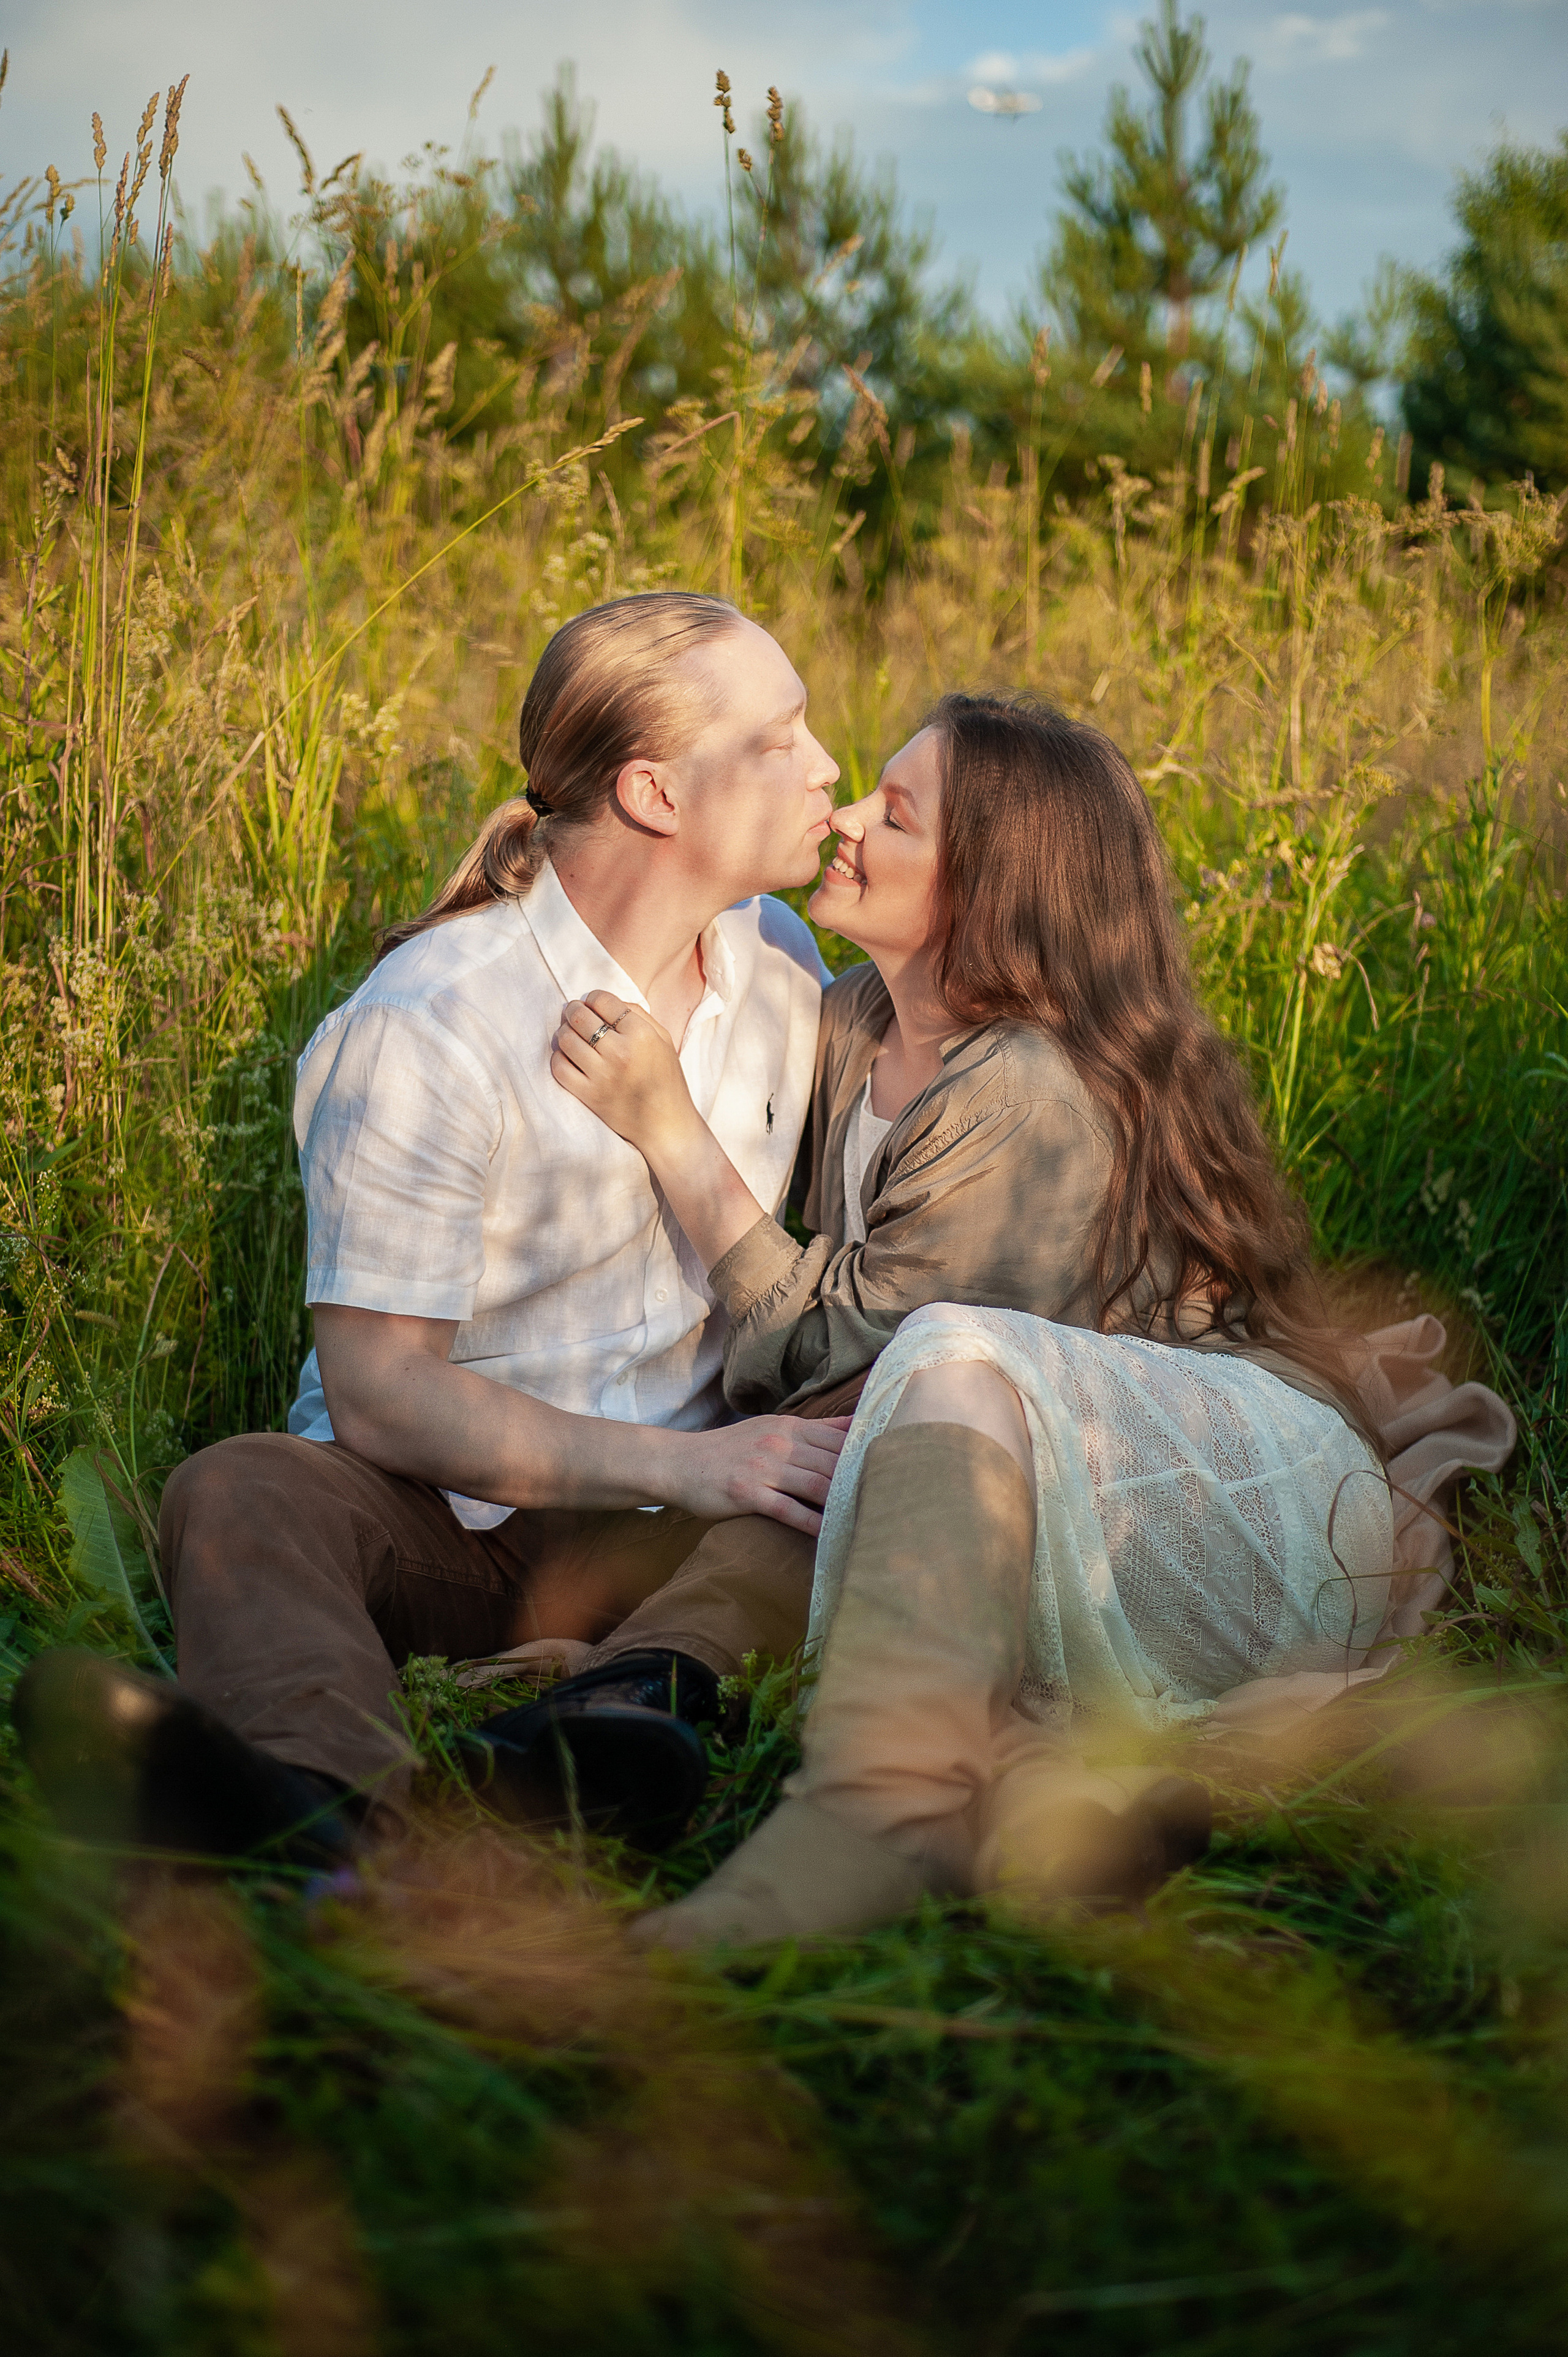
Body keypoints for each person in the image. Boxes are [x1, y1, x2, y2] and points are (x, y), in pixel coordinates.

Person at [549, 693, 1515, 1942]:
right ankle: (1017, 1805)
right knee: (890, 1440)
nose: (842, 820)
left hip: (1214, 1494)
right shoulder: (851, 1021)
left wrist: (669, 1132)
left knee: (933, 1352)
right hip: (1038, 1495)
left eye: (891, 815)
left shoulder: (1023, 1081)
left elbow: (845, 1353)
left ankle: (870, 1816)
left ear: (992, 890)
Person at [13, 591, 855, 1863]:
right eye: (779, 736)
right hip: (446, 1517)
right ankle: (331, 1806)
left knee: (839, 1488)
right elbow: (383, 1397)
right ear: (655, 795)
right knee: (236, 1487)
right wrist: (692, 1465)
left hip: (672, 1542)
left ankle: (586, 1717)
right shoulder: (430, 1020)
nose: (824, 764)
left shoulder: (782, 960)